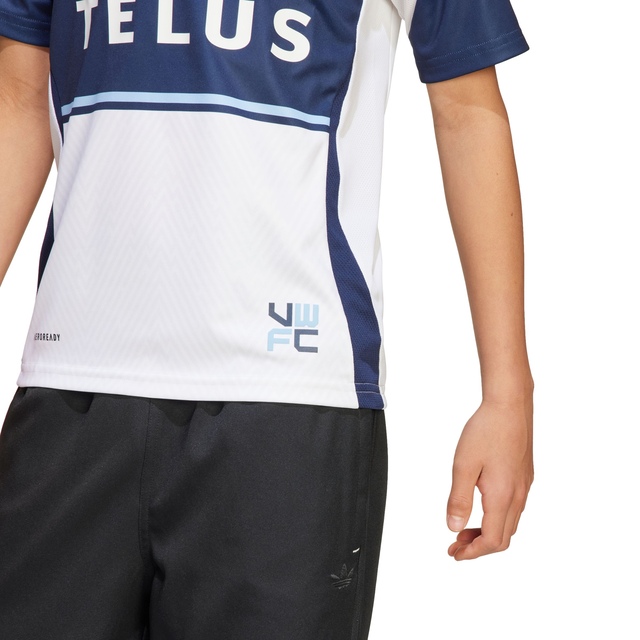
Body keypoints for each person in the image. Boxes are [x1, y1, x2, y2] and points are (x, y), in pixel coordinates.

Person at [0, 0, 534, 638]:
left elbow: (466, 109)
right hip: (68, 387)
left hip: (288, 404)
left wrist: (508, 394)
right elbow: (18, 97)